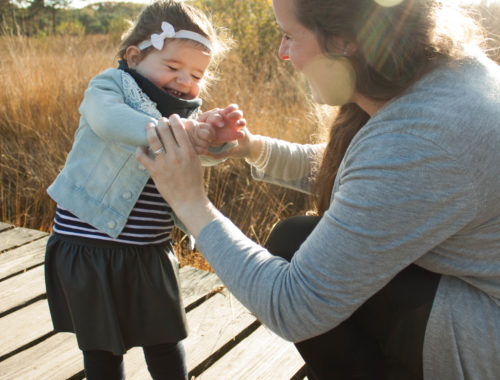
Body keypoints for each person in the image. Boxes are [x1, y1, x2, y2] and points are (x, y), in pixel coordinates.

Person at [136, 0, 500, 379]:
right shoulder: (444, 75)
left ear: (344, 40)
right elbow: (372, 178)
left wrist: (191, 203)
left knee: (291, 246)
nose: (282, 52)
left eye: (290, 35)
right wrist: (251, 148)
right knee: (296, 236)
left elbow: (293, 306)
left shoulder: (419, 137)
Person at [44, 1, 244, 379]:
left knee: (165, 341)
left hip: (149, 251)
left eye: (198, 75)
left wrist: (215, 139)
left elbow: (201, 156)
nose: (186, 82)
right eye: (173, 67)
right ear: (134, 56)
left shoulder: (183, 114)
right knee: (104, 348)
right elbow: (109, 122)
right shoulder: (109, 87)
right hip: (90, 245)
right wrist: (181, 131)